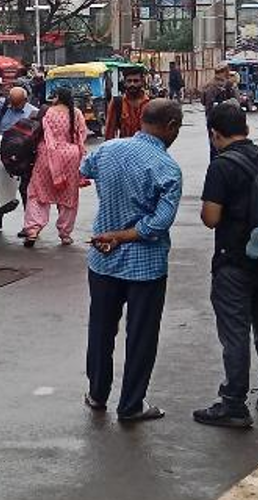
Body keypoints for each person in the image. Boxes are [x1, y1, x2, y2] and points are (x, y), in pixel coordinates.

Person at [78, 99, 184, 422]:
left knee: (101, 328)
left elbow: (84, 169)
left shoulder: (108, 149)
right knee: (141, 336)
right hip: (146, 267)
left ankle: (97, 394)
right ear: (171, 127)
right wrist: (123, 234)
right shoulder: (167, 168)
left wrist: (113, 212)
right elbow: (158, 223)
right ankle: (131, 405)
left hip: (103, 261)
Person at [193, 103, 258, 428]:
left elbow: (211, 218)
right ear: (245, 127)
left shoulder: (222, 166)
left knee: (235, 334)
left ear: (214, 134)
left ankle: (234, 403)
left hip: (233, 263)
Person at [22, 88, 87, 247]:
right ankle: (65, 234)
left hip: (47, 155)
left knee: (37, 193)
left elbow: (43, 135)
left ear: (58, 97)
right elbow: (81, 136)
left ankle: (33, 229)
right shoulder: (76, 113)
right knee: (69, 196)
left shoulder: (48, 112)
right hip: (70, 156)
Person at [0, 86, 39, 216]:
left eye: (18, 103)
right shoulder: (3, 105)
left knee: (25, 189)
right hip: (1, 152)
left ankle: (29, 222)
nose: (14, 106)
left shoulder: (33, 113)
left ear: (25, 100)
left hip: (23, 157)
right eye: (12, 102)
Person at [201, 66, 240, 160]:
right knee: (227, 147)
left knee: (213, 147)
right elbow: (236, 101)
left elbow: (203, 101)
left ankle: (214, 167)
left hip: (210, 119)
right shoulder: (228, 85)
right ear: (224, 72)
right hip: (226, 120)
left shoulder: (207, 84)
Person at [104, 69, 150, 140]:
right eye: (129, 81)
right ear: (124, 83)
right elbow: (109, 132)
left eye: (136, 81)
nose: (132, 84)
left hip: (146, 148)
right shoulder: (117, 103)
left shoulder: (151, 103)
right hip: (125, 148)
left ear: (142, 82)